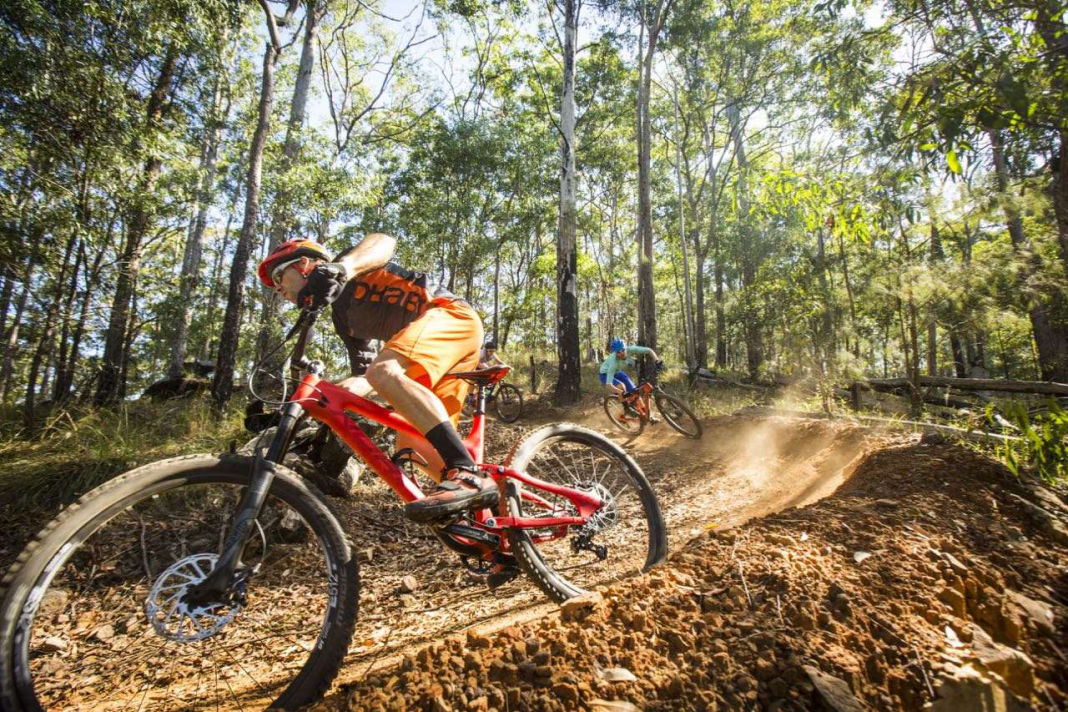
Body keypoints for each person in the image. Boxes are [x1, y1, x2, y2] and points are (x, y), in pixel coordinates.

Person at [258, 234, 496, 523]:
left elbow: (384, 242)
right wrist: (349, 386)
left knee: (384, 372)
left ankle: (467, 473)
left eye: (279, 276)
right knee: (412, 446)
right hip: (432, 349)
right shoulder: (344, 319)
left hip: (449, 314)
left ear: (304, 264)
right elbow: (365, 372)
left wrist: (344, 267)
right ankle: (497, 516)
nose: (277, 289)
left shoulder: (351, 264)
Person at [599, 337, 662, 418]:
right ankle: (626, 408)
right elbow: (609, 385)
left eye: (623, 350)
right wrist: (620, 392)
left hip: (617, 372)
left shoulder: (630, 349)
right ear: (615, 353)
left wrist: (657, 360)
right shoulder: (613, 362)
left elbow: (649, 350)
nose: (621, 353)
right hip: (605, 374)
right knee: (621, 387)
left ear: (626, 348)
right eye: (618, 352)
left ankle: (646, 415)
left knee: (635, 391)